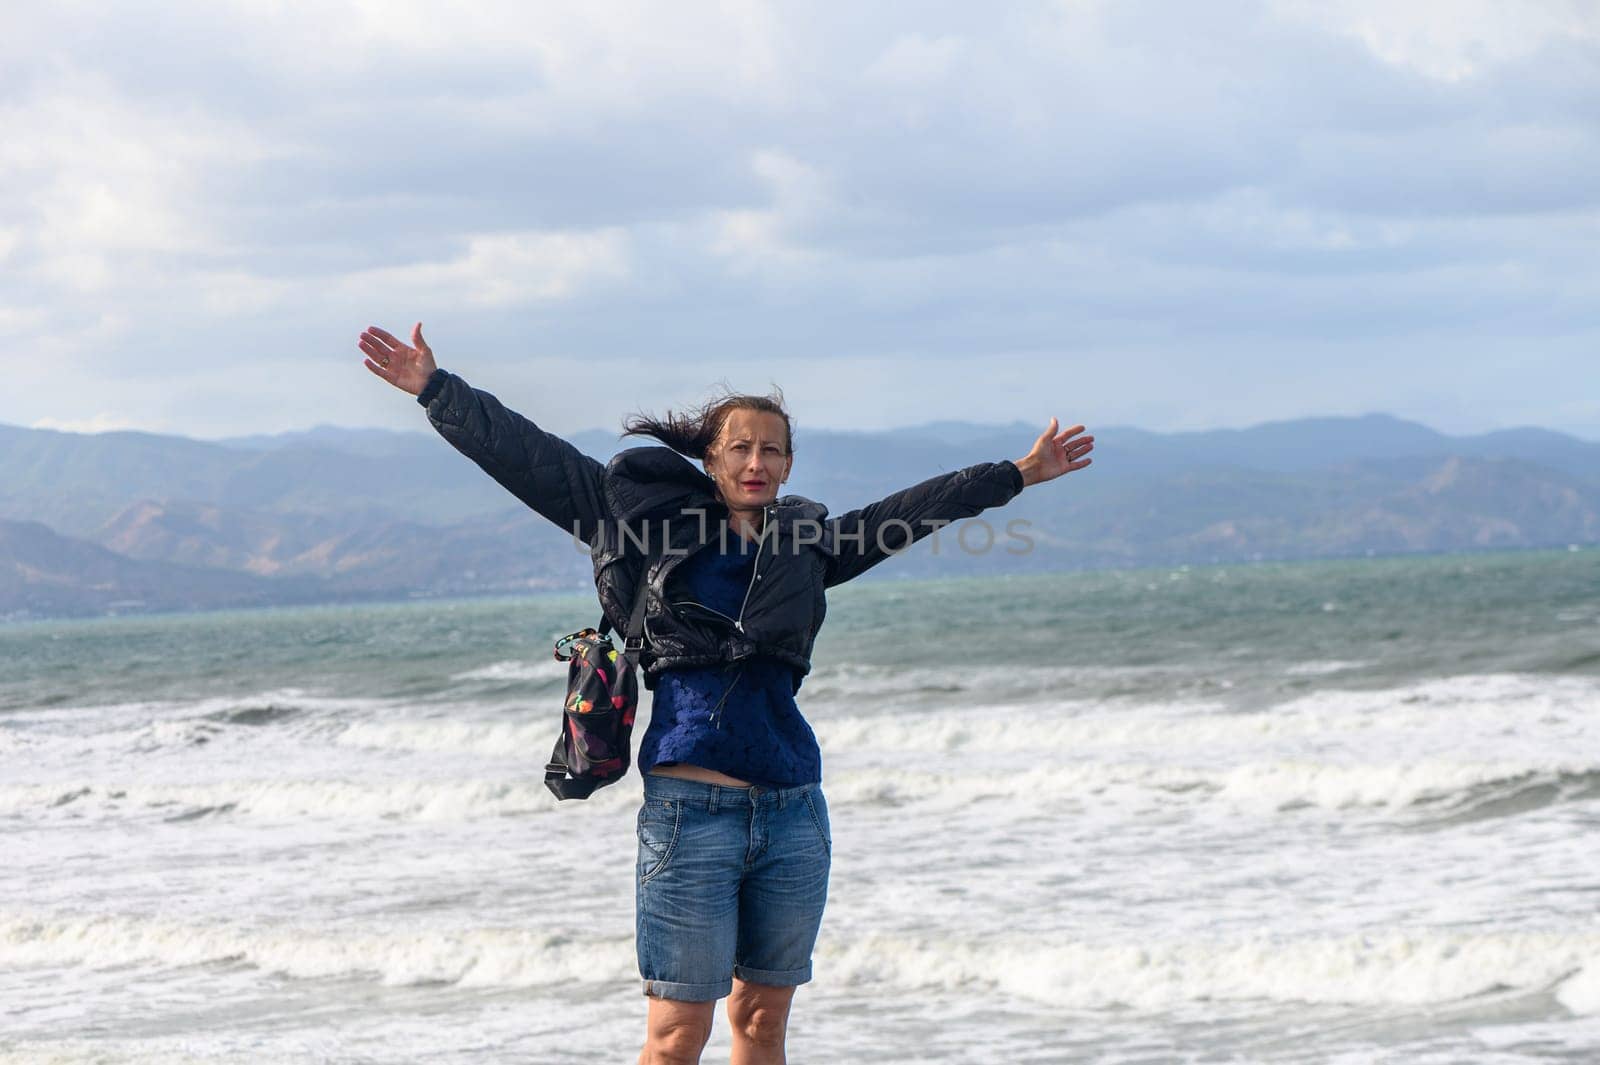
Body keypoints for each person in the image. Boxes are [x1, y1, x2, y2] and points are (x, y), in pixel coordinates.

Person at [358, 322, 1094, 1065]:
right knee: (676, 1036)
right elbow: (532, 459)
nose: (755, 460)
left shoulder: (810, 546)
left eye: (771, 448)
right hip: (690, 815)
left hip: (793, 812)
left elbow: (911, 510)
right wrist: (436, 389)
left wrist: (1018, 473)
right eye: (740, 446)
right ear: (710, 458)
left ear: (788, 463)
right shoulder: (641, 525)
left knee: (763, 1024)